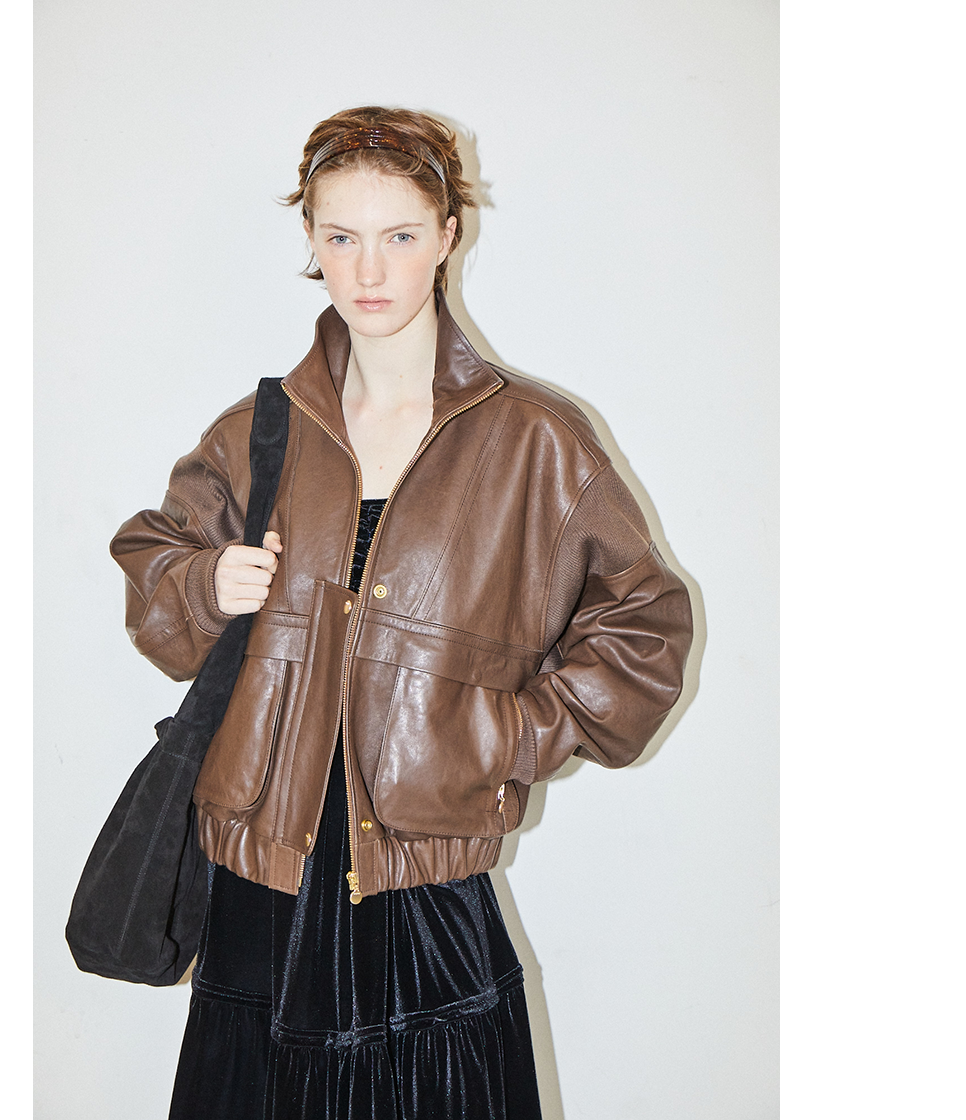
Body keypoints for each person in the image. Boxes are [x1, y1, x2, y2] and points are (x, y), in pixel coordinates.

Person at [110, 105, 693, 1120]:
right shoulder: (258, 431)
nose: (369, 270)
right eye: (341, 237)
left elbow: (645, 627)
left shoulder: (534, 440)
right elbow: (153, 574)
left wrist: (506, 733)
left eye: (400, 235)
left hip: (422, 882)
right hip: (262, 874)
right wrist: (204, 584)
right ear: (310, 240)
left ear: (448, 235)